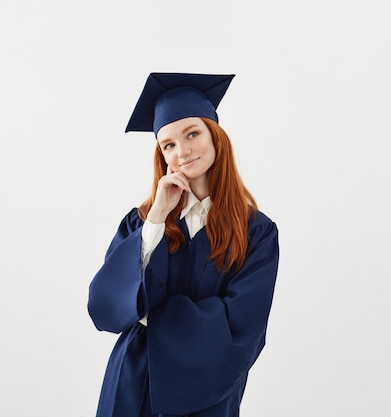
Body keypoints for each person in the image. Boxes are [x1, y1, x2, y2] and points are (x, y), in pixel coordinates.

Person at [87, 72, 280, 417]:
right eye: (169, 145)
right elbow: (106, 305)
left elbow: (244, 327)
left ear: (216, 137)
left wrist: (151, 318)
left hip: (209, 393)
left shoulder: (256, 232)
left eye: (192, 133)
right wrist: (157, 219)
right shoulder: (142, 220)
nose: (183, 151)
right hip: (132, 382)